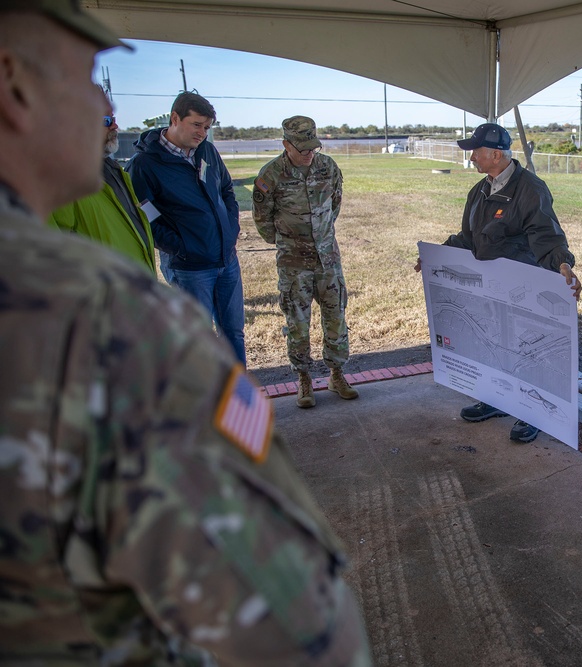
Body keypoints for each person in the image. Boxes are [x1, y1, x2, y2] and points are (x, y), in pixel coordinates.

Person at [0, 3, 371, 664]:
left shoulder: (202, 167)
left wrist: (224, 239)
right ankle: (308, 376)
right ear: (15, 85)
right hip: (195, 272)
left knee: (236, 338)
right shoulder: (105, 319)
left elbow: (232, 200)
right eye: (88, 74)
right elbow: (303, 627)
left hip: (226, 265)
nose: (103, 106)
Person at [414, 122, 582, 443]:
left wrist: (563, 266)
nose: (471, 158)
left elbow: (547, 236)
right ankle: (495, 400)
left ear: (495, 153)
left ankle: (532, 413)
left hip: (521, 289)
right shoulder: (478, 191)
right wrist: (437, 256)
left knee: (526, 350)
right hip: (487, 289)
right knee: (491, 346)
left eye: (475, 151)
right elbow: (468, 237)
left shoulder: (530, 189)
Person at [128, 91, 247, 365]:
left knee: (233, 334)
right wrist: (182, 248)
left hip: (226, 260)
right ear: (174, 118)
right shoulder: (145, 164)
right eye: (196, 125)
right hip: (189, 268)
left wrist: (230, 230)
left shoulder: (206, 150)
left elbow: (227, 189)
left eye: (206, 127)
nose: (202, 133)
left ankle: (239, 399)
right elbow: (146, 216)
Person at [252, 115, 358, 408]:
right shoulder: (271, 175)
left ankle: (336, 375)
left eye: (313, 146)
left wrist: (321, 238)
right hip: (293, 263)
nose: (309, 153)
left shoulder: (328, 168)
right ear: (286, 144)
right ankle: (304, 379)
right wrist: (289, 242)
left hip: (328, 259)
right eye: (302, 148)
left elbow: (334, 205)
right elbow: (263, 221)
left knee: (336, 317)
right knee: (297, 323)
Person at [49, 98, 156, 274]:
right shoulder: (58, 179)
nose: (115, 126)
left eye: (113, 119)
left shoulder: (113, 170)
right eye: (106, 120)